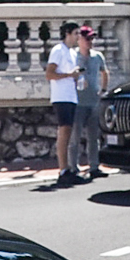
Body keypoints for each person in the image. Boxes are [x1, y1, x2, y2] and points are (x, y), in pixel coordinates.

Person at [70, 24, 110, 183]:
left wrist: (104, 90)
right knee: (75, 137)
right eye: (87, 38)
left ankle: (94, 166)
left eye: (92, 38)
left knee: (94, 137)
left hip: (93, 101)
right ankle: (73, 167)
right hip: (77, 102)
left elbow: (104, 72)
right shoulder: (73, 56)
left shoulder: (97, 56)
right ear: (79, 39)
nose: (90, 41)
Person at [45, 26, 81, 182]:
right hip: (61, 96)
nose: (78, 37)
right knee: (64, 131)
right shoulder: (58, 50)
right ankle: (63, 169)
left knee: (69, 131)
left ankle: (68, 168)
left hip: (71, 95)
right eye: (75, 33)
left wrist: (77, 78)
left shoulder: (72, 53)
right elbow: (49, 74)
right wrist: (69, 75)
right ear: (67, 34)